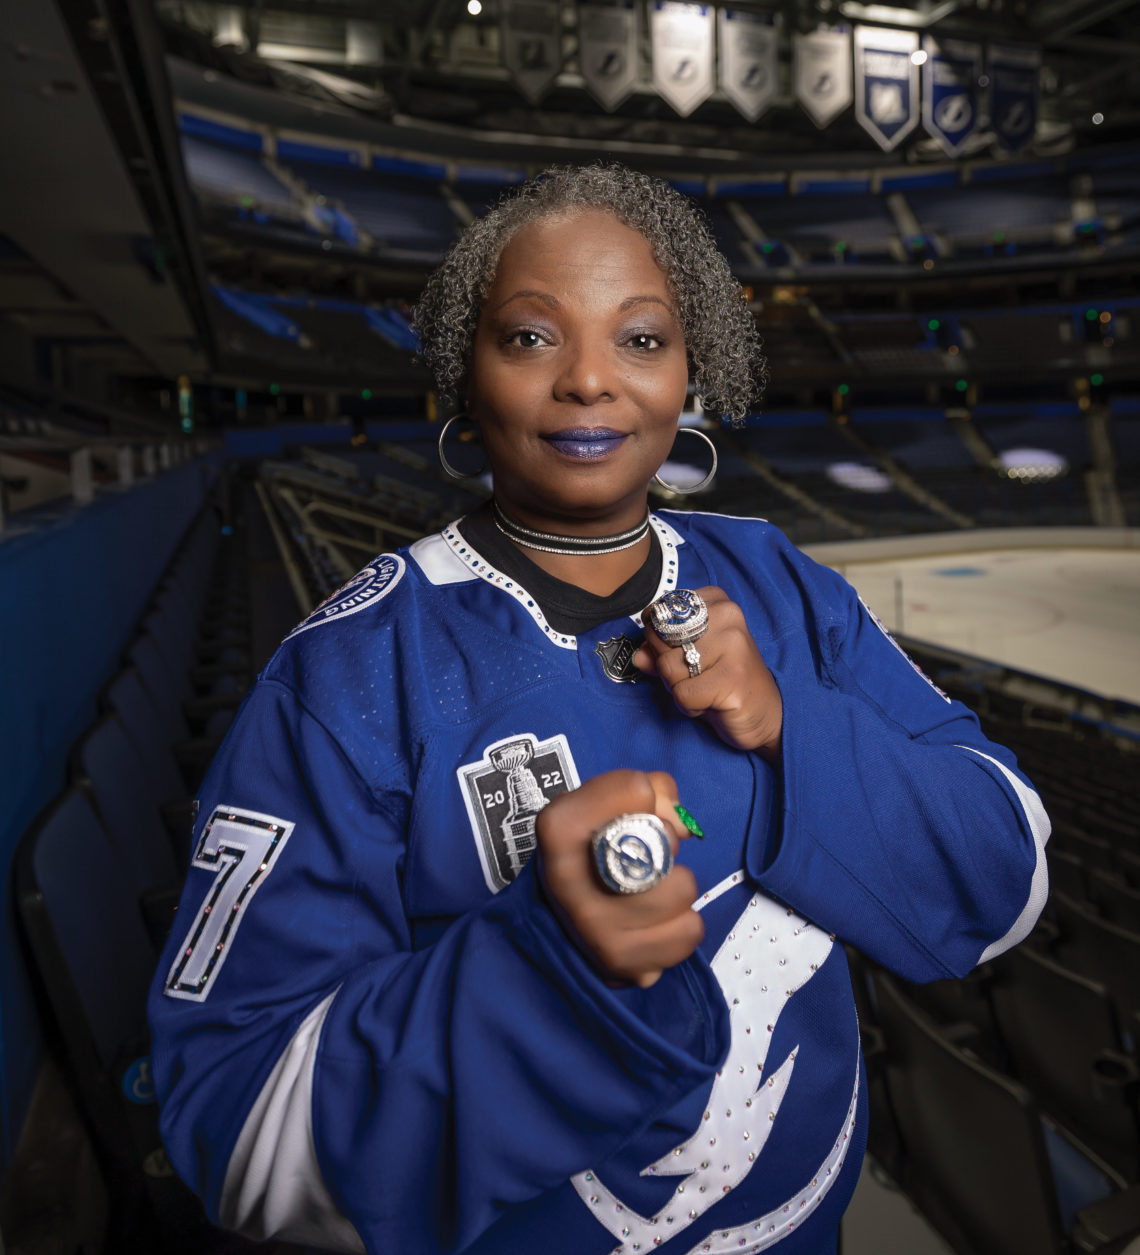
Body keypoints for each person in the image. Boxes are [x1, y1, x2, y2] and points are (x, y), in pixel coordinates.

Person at [147, 164, 1049, 1255]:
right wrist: (550, 974)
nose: (588, 381)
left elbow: (1007, 880)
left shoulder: (784, 583)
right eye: (531, 337)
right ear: (462, 372)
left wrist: (789, 720)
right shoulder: (348, 673)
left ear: (692, 368)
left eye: (641, 339)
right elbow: (236, 1134)